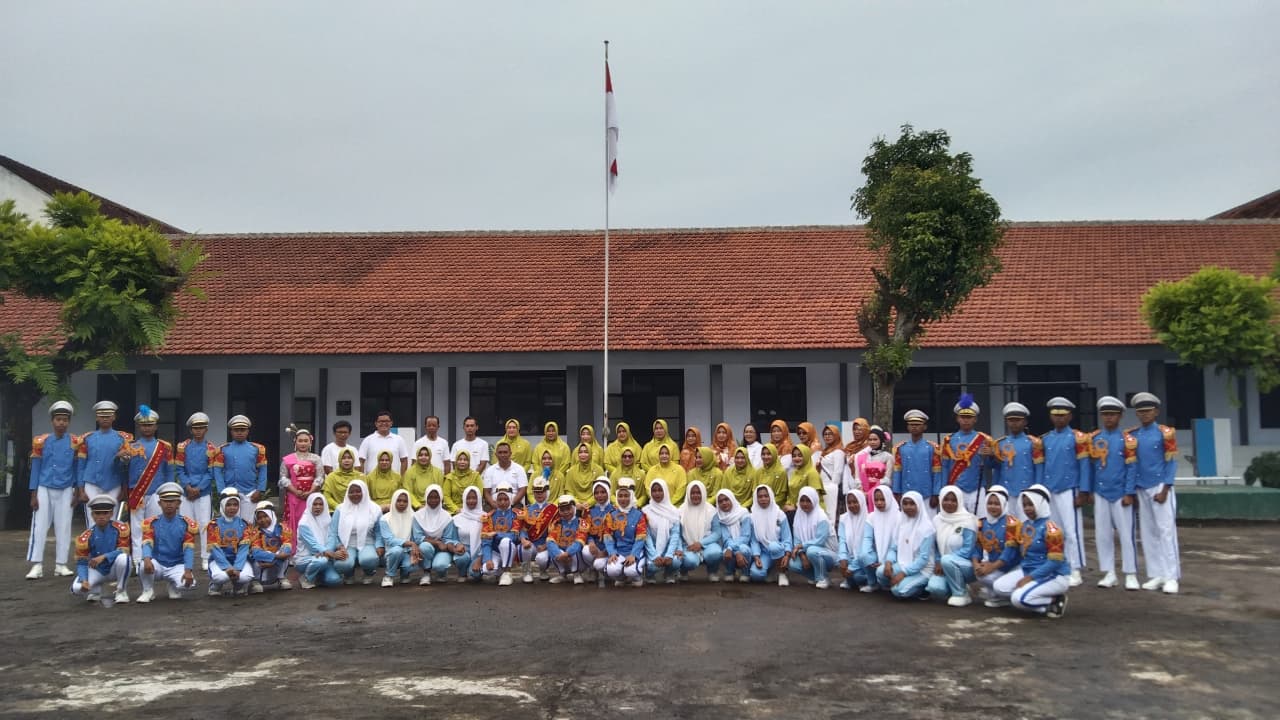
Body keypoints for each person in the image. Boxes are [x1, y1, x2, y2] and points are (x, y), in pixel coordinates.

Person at [991, 485, 1070, 618]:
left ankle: (1054, 601)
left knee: (1018, 599)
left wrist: (1029, 578)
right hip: (1028, 570)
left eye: (1031, 505)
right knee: (999, 587)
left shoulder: (1052, 529)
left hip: (1053, 575)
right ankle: (1036, 601)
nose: (1027, 509)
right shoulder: (1026, 525)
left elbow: (1055, 562)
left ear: (1041, 504)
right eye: (1025, 505)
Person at [1129, 392, 1181, 594]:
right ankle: (1157, 574)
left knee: (1166, 532)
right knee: (1148, 533)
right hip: (1141, 487)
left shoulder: (1165, 433)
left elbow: (1171, 462)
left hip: (1159, 486)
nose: (1144, 415)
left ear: (1156, 411)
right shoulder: (1133, 436)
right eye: (1140, 412)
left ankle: (1171, 576)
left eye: (1148, 411)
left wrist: (1166, 488)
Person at [1089, 396, 1140, 591]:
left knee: (1127, 534)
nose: (1108, 418)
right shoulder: (1094, 439)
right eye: (1105, 415)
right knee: (1102, 534)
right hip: (1101, 492)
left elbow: (1132, 468)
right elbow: (1092, 467)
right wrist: (1092, 490)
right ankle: (1109, 572)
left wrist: (1129, 492)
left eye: (1112, 415)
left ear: (1120, 416)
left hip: (1120, 493)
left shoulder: (1128, 440)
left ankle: (1130, 573)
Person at [1041, 396, 1092, 587]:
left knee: (1072, 531)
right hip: (1050, 489)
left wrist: (1084, 490)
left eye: (1063, 415)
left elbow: (1084, 465)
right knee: (1053, 531)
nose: (1059, 419)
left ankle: (1075, 568)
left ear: (1070, 416)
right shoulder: (1046, 439)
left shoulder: (1078, 437)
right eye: (1055, 415)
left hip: (1069, 488)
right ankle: (1057, 565)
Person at [27, 400, 78, 581]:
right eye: (58, 419)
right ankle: (36, 564)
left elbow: (77, 467)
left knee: (64, 526)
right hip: (44, 487)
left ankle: (61, 564)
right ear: (52, 421)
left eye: (65, 419)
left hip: (66, 488)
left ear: (69, 422)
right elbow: (36, 468)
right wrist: (33, 493)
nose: (61, 423)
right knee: (39, 526)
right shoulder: (41, 442)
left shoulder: (75, 442)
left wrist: (77, 491)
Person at [125, 405, 174, 569]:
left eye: (150, 424)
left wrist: (169, 492)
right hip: (136, 492)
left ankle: (155, 559)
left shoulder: (164, 447)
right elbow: (123, 471)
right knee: (137, 528)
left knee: (155, 527)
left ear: (156, 426)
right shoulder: (130, 447)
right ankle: (138, 560)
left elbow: (169, 471)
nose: (147, 428)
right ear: (139, 426)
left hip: (157, 493)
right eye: (144, 425)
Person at [75, 400, 130, 527]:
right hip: (91, 483)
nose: (105, 419)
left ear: (114, 417)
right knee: (92, 520)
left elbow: (125, 466)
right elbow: (81, 466)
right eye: (102, 416)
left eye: (108, 416)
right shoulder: (87, 438)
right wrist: (81, 490)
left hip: (114, 483)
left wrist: (123, 488)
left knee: (113, 519)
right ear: (97, 418)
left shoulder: (122, 439)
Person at [940, 395, 996, 515]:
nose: (966, 420)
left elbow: (991, 466)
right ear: (957, 419)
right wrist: (944, 488)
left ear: (975, 419)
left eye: (969, 417)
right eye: (963, 417)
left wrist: (991, 455)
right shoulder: (949, 440)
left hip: (977, 486)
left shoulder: (984, 439)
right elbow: (945, 466)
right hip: (956, 487)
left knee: (979, 521)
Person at [72, 494, 131, 604]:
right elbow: (82, 562)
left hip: (115, 567)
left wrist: (104, 557)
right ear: (92, 515)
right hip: (97, 570)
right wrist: (84, 581)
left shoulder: (121, 528)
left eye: (105, 513)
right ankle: (95, 590)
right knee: (76, 588)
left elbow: (124, 550)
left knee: (124, 558)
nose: (101, 516)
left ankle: (121, 591)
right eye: (97, 513)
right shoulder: (86, 536)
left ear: (111, 514)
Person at [927, 485, 980, 606]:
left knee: (947, 560)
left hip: (966, 565)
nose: (949, 503)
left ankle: (961, 594)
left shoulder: (968, 521)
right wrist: (938, 561)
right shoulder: (937, 520)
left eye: (953, 500)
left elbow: (968, 549)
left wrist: (946, 560)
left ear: (959, 501)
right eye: (946, 499)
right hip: (945, 564)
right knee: (935, 588)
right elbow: (934, 546)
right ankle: (958, 586)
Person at [878, 491, 936, 599]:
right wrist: (889, 562)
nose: (908, 507)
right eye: (905, 503)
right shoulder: (901, 522)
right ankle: (901, 583)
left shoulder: (927, 528)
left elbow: (923, 559)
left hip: (922, 570)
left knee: (899, 591)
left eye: (912, 503)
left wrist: (903, 573)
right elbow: (894, 547)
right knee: (881, 572)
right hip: (904, 562)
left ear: (919, 504)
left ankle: (922, 588)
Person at [176, 412, 216, 570]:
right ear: (191, 430)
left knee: (204, 525)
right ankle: (185, 557)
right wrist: (187, 486)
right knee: (186, 525)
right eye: (195, 428)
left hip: (203, 492)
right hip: (187, 492)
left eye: (201, 427)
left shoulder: (211, 448)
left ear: (206, 429)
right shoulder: (182, 447)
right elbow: (179, 469)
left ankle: (205, 557)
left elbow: (210, 472)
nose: (198, 430)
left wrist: (199, 488)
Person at [991, 403, 1044, 520]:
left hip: (1026, 490)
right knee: (1006, 526)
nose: (1014, 423)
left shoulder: (1033, 443)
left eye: (1018, 420)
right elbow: (997, 469)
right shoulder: (999, 443)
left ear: (1025, 422)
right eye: (1011, 420)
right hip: (1005, 490)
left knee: (1027, 526)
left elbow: (1039, 468)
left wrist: (1038, 490)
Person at [973, 485, 1023, 607]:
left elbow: (1009, 553)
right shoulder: (981, 523)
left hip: (1014, 567)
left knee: (992, 579)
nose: (993, 507)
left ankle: (1013, 595)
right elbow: (977, 548)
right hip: (996, 566)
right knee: (980, 573)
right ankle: (998, 596)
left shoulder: (1013, 523)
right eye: (990, 503)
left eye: (997, 503)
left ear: (1004, 504)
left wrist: (991, 567)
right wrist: (976, 565)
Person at [326, 479, 382, 585]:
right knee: (343, 565)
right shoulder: (340, 509)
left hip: (367, 542)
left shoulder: (375, 509)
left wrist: (379, 545)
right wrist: (338, 546)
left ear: (364, 491)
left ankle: (369, 573)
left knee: (369, 559)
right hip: (346, 545)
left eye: (358, 491)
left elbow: (379, 531)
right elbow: (333, 532)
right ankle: (348, 574)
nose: (354, 494)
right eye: (351, 492)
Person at [412, 484, 464, 585]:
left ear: (441, 498)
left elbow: (448, 538)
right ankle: (426, 573)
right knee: (424, 546)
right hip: (427, 548)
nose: (433, 500)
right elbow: (418, 538)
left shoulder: (447, 516)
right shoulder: (418, 516)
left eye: (436, 497)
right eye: (430, 497)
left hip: (442, 549)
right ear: (426, 498)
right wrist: (436, 542)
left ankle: (441, 573)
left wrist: (449, 546)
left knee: (440, 565)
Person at [207, 490, 255, 596]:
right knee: (221, 576)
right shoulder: (213, 525)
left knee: (245, 576)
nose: (232, 508)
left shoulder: (245, 525)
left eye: (235, 504)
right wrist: (227, 567)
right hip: (219, 561)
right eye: (228, 504)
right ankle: (215, 586)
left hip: (238, 559)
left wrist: (237, 568)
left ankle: (238, 585)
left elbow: (244, 549)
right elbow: (215, 550)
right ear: (223, 505)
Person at [785, 486, 835, 589]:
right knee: (792, 563)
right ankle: (815, 576)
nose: (805, 504)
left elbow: (820, 541)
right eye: (802, 501)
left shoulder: (821, 517)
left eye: (808, 501)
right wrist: (802, 556)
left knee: (812, 551)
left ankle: (823, 578)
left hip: (828, 554)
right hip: (808, 552)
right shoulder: (798, 516)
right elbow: (797, 540)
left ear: (814, 500)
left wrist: (801, 546)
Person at [892, 410, 942, 512]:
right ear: (908, 427)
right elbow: (897, 472)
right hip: (907, 492)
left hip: (926, 494)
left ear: (925, 427)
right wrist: (897, 492)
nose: (914, 427)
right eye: (911, 424)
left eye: (918, 424)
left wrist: (936, 493)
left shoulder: (932, 448)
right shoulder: (901, 448)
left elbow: (936, 472)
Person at [279, 428, 324, 539]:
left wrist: (310, 492)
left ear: (310, 442)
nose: (303, 443)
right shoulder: (287, 459)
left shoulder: (316, 458)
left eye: (306, 441)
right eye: (300, 441)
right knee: (294, 520)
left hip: (311, 495)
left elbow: (320, 477)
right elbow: (283, 477)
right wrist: (295, 491)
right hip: (293, 495)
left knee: (311, 520)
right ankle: (293, 547)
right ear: (295, 442)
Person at [214, 415, 268, 505]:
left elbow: (263, 470)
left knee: (248, 519)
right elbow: (217, 472)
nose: (239, 432)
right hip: (229, 491)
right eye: (236, 430)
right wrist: (222, 490)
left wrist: (260, 490)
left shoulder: (258, 449)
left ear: (247, 431)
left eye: (242, 430)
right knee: (230, 518)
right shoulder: (222, 449)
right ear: (231, 431)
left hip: (250, 492)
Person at [605, 479, 649, 587]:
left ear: (631, 496)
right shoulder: (611, 515)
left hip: (635, 551)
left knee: (631, 571)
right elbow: (608, 536)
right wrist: (612, 553)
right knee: (612, 571)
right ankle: (622, 578)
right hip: (619, 551)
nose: (623, 499)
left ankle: (637, 577)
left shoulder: (639, 515)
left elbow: (641, 537)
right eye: (620, 496)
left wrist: (633, 554)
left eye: (626, 496)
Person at [674, 480, 720, 581]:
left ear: (703, 493)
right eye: (693, 493)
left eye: (698, 492)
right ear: (688, 494)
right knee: (690, 561)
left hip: (707, 544)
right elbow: (677, 534)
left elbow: (717, 533)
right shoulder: (680, 511)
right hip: (688, 545)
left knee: (715, 553)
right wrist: (680, 548)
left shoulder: (711, 510)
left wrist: (701, 543)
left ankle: (712, 572)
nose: (696, 495)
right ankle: (683, 571)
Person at [295, 492, 341, 589]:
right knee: (321, 561)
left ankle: (317, 576)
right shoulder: (304, 523)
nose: (318, 507)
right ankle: (306, 578)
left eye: (321, 504)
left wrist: (340, 547)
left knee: (334, 580)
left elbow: (332, 537)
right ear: (309, 504)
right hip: (306, 559)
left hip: (324, 557)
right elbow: (313, 546)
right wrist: (331, 554)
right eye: (315, 504)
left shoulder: (327, 519)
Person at [480, 483, 522, 586]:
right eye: (500, 499)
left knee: (505, 541)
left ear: (510, 499)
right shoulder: (489, 516)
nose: (503, 502)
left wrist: (496, 534)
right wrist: (488, 559)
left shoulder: (517, 514)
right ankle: (500, 571)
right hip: (495, 550)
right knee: (487, 570)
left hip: (510, 549)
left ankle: (507, 571)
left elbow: (515, 536)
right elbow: (486, 540)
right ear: (495, 500)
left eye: (505, 499)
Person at [377, 489, 421, 587]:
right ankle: (388, 575)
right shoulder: (385, 519)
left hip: (409, 551)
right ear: (393, 501)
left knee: (410, 566)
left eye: (405, 501)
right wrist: (410, 543)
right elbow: (389, 540)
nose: (402, 503)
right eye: (399, 500)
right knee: (397, 550)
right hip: (391, 552)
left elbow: (416, 536)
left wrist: (414, 548)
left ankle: (405, 575)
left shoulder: (413, 516)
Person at [749, 485, 792, 585]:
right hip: (763, 552)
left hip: (779, 550)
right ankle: (771, 570)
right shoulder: (752, 516)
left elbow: (787, 538)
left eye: (766, 496)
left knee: (773, 546)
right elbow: (754, 540)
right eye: (760, 496)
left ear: (771, 497)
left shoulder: (779, 514)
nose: (763, 499)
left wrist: (787, 554)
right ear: (756, 498)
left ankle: (782, 573)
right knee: (756, 575)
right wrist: (756, 556)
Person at [642, 479, 682, 584]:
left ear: (665, 491)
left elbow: (675, 535)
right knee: (652, 566)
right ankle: (650, 575)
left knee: (676, 561)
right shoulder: (646, 511)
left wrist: (669, 555)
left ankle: (669, 573)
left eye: (660, 490)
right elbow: (646, 536)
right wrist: (654, 555)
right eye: (654, 490)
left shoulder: (674, 511)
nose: (657, 493)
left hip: (669, 548)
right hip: (652, 550)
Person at [249, 500, 294, 592]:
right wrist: (274, 557)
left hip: (278, 561)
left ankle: (281, 578)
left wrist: (276, 558)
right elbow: (256, 552)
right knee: (254, 559)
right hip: (262, 562)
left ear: (272, 515)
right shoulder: (255, 532)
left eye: (266, 516)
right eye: (259, 518)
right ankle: (255, 581)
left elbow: (288, 546)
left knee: (285, 552)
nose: (263, 520)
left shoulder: (282, 528)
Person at [541, 494, 587, 584]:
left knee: (576, 547)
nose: (565, 512)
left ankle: (576, 574)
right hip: (561, 557)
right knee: (552, 548)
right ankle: (562, 574)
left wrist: (567, 553)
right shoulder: (556, 523)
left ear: (574, 508)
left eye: (568, 509)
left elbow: (579, 541)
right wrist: (558, 554)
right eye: (562, 510)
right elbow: (550, 540)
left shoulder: (581, 522)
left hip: (576, 558)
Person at [863, 486, 901, 593]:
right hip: (877, 556)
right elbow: (867, 538)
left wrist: (885, 561)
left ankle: (887, 583)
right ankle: (873, 583)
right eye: (876, 500)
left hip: (894, 558)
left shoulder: (899, 517)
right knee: (864, 554)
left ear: (889, 498)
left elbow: (897, 544)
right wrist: (867, 556)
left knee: (883, 571)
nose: (879, 503)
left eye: (882, 499)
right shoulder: (871, 517)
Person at [518, 478, 556, 582]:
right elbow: (523, 528)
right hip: (531, 543)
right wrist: (523, 539)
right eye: (536, 492)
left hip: (545, 544)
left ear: (547, 492)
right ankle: (527, 572)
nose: (539, 494)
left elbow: (555, 531)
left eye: (542, 491)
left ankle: (543, 571)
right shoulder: (527, 508)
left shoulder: (553, 509)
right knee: (523, 548)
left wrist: (546, 545)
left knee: (542, 559)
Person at [713, 489, 753, 583]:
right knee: (725, 552)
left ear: (732, 499)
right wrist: (731, 548)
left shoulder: (743, 513)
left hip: (743, 544)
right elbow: (726, 538)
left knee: (744, 549)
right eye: (720, 501)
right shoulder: (719, 517)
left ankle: (745, 572)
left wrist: (731, 548)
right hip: (727, 545)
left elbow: (746, 536)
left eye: (726, 499)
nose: (724, 503)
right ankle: (729, 572)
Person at [580, 479, 616, 583]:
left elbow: (617, 535)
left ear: (608, 493)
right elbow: (586, 531)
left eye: (603, 492)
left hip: (611, 549)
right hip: (595, 546)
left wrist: (606, 551)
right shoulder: (589, 511)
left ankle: (607, 572)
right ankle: (593, 570)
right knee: (585, 551)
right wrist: (590, 542)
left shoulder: (614, 510)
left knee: (604, 566)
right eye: (596, 493)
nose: (599, 495)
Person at [835, 491, 871, 590]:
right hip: (850, 556)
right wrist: (843, 558)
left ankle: (870, 580)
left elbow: (865, 548)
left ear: (862, 502)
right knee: (841, 563)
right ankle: (850, 579)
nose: (852, 505)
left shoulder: (869, 519)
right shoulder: (844, 519)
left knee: (857, 576)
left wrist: (852, 566)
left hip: (864, 559)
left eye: (855, 502)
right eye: (849, 502)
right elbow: (842, 541)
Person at [358, 410, 410, 475]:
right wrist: (362, 479)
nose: (384, 423)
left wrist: (402, 479)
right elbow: (360, 461)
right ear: (376, 424)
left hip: (394, 481)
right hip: (372, 482)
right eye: (381, 421)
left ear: (391, 423)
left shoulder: (399, 440)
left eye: (387, 421)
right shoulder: (368, 440)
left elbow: (404, 460)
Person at [452, 486, 485, 582]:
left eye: (474, 498)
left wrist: (480, 558)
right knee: (462, 559)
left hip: (479, 552)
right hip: (463, 551)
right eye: (468, 498)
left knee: (475, 575)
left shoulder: (485, 517)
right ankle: (462, 573)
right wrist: (457, 545)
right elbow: (453, 538)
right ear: (464, 499)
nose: (471, 501)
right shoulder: (457, 518)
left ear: (479, 499)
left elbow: (488, 540)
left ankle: (477, 567)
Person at [482, 441, 529, 508]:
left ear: (510, 453)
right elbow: (486, 492)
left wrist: (511, 504)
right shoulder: (489, 470)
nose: (503, 455)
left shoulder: (519, 469)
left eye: (505, 452)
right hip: (494, 506)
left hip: (515, 504)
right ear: (496, 454)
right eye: (500, 452)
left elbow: (523, 490)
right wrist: (494, 505)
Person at [817, 422, 848, 523]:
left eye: (830, 434)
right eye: (825, 434)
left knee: (831, 516)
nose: (827, 436)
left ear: (836, 435)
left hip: (831, 489)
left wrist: (832, 488)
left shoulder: (838, 452)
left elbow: (838, 472)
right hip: (823, 487)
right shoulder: (825, 451)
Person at [853, 427, 892, 504]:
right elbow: (857, 477)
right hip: (863, 495)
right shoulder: (861, 457)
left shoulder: (888, 457)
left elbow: (887, 479)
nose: (872, 442)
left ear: (881, 440)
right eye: (870, 440)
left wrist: (872, 490)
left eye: (875, 439)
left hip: (880, 495)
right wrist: (861, 491)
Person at [786, 446, 824, 519]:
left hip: (811, 512)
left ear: (806, 456)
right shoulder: (795, 472)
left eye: (800, 455)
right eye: (794, 456)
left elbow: (814, 497)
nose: (796, 458)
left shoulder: (812, 473)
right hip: (797, 511)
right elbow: (791, 493)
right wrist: (788, 504)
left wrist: (794, 506)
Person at [403, 446, 444, 510]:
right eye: (420, 455)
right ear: (417, 457)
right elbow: (408, 492)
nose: (423, 457)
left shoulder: (438, 472)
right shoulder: (409, 472)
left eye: (426, 455)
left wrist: (431, 505)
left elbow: (440, 492)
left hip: (434, 506)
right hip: (414, 507)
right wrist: (418, 506)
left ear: (430, 457)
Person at [563, 443, 602, 509]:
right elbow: (569, 491)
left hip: (594, 505)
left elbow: (601, 491)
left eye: (586, 452)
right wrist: (576, 502)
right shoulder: (571, 471)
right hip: (575, 506)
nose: (583, 455)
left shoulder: (598, 470)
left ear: (590, 453)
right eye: (580, 452)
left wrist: (589, 503)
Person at [757, 444, 789, 508]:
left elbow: (781, 496)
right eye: (763, 454)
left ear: (774, 455)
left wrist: (767, 504)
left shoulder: (781, 472)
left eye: (769, 454)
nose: (765, 457)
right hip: (760, 506)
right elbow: (755, 491)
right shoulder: (759, 471)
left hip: (776, 507)